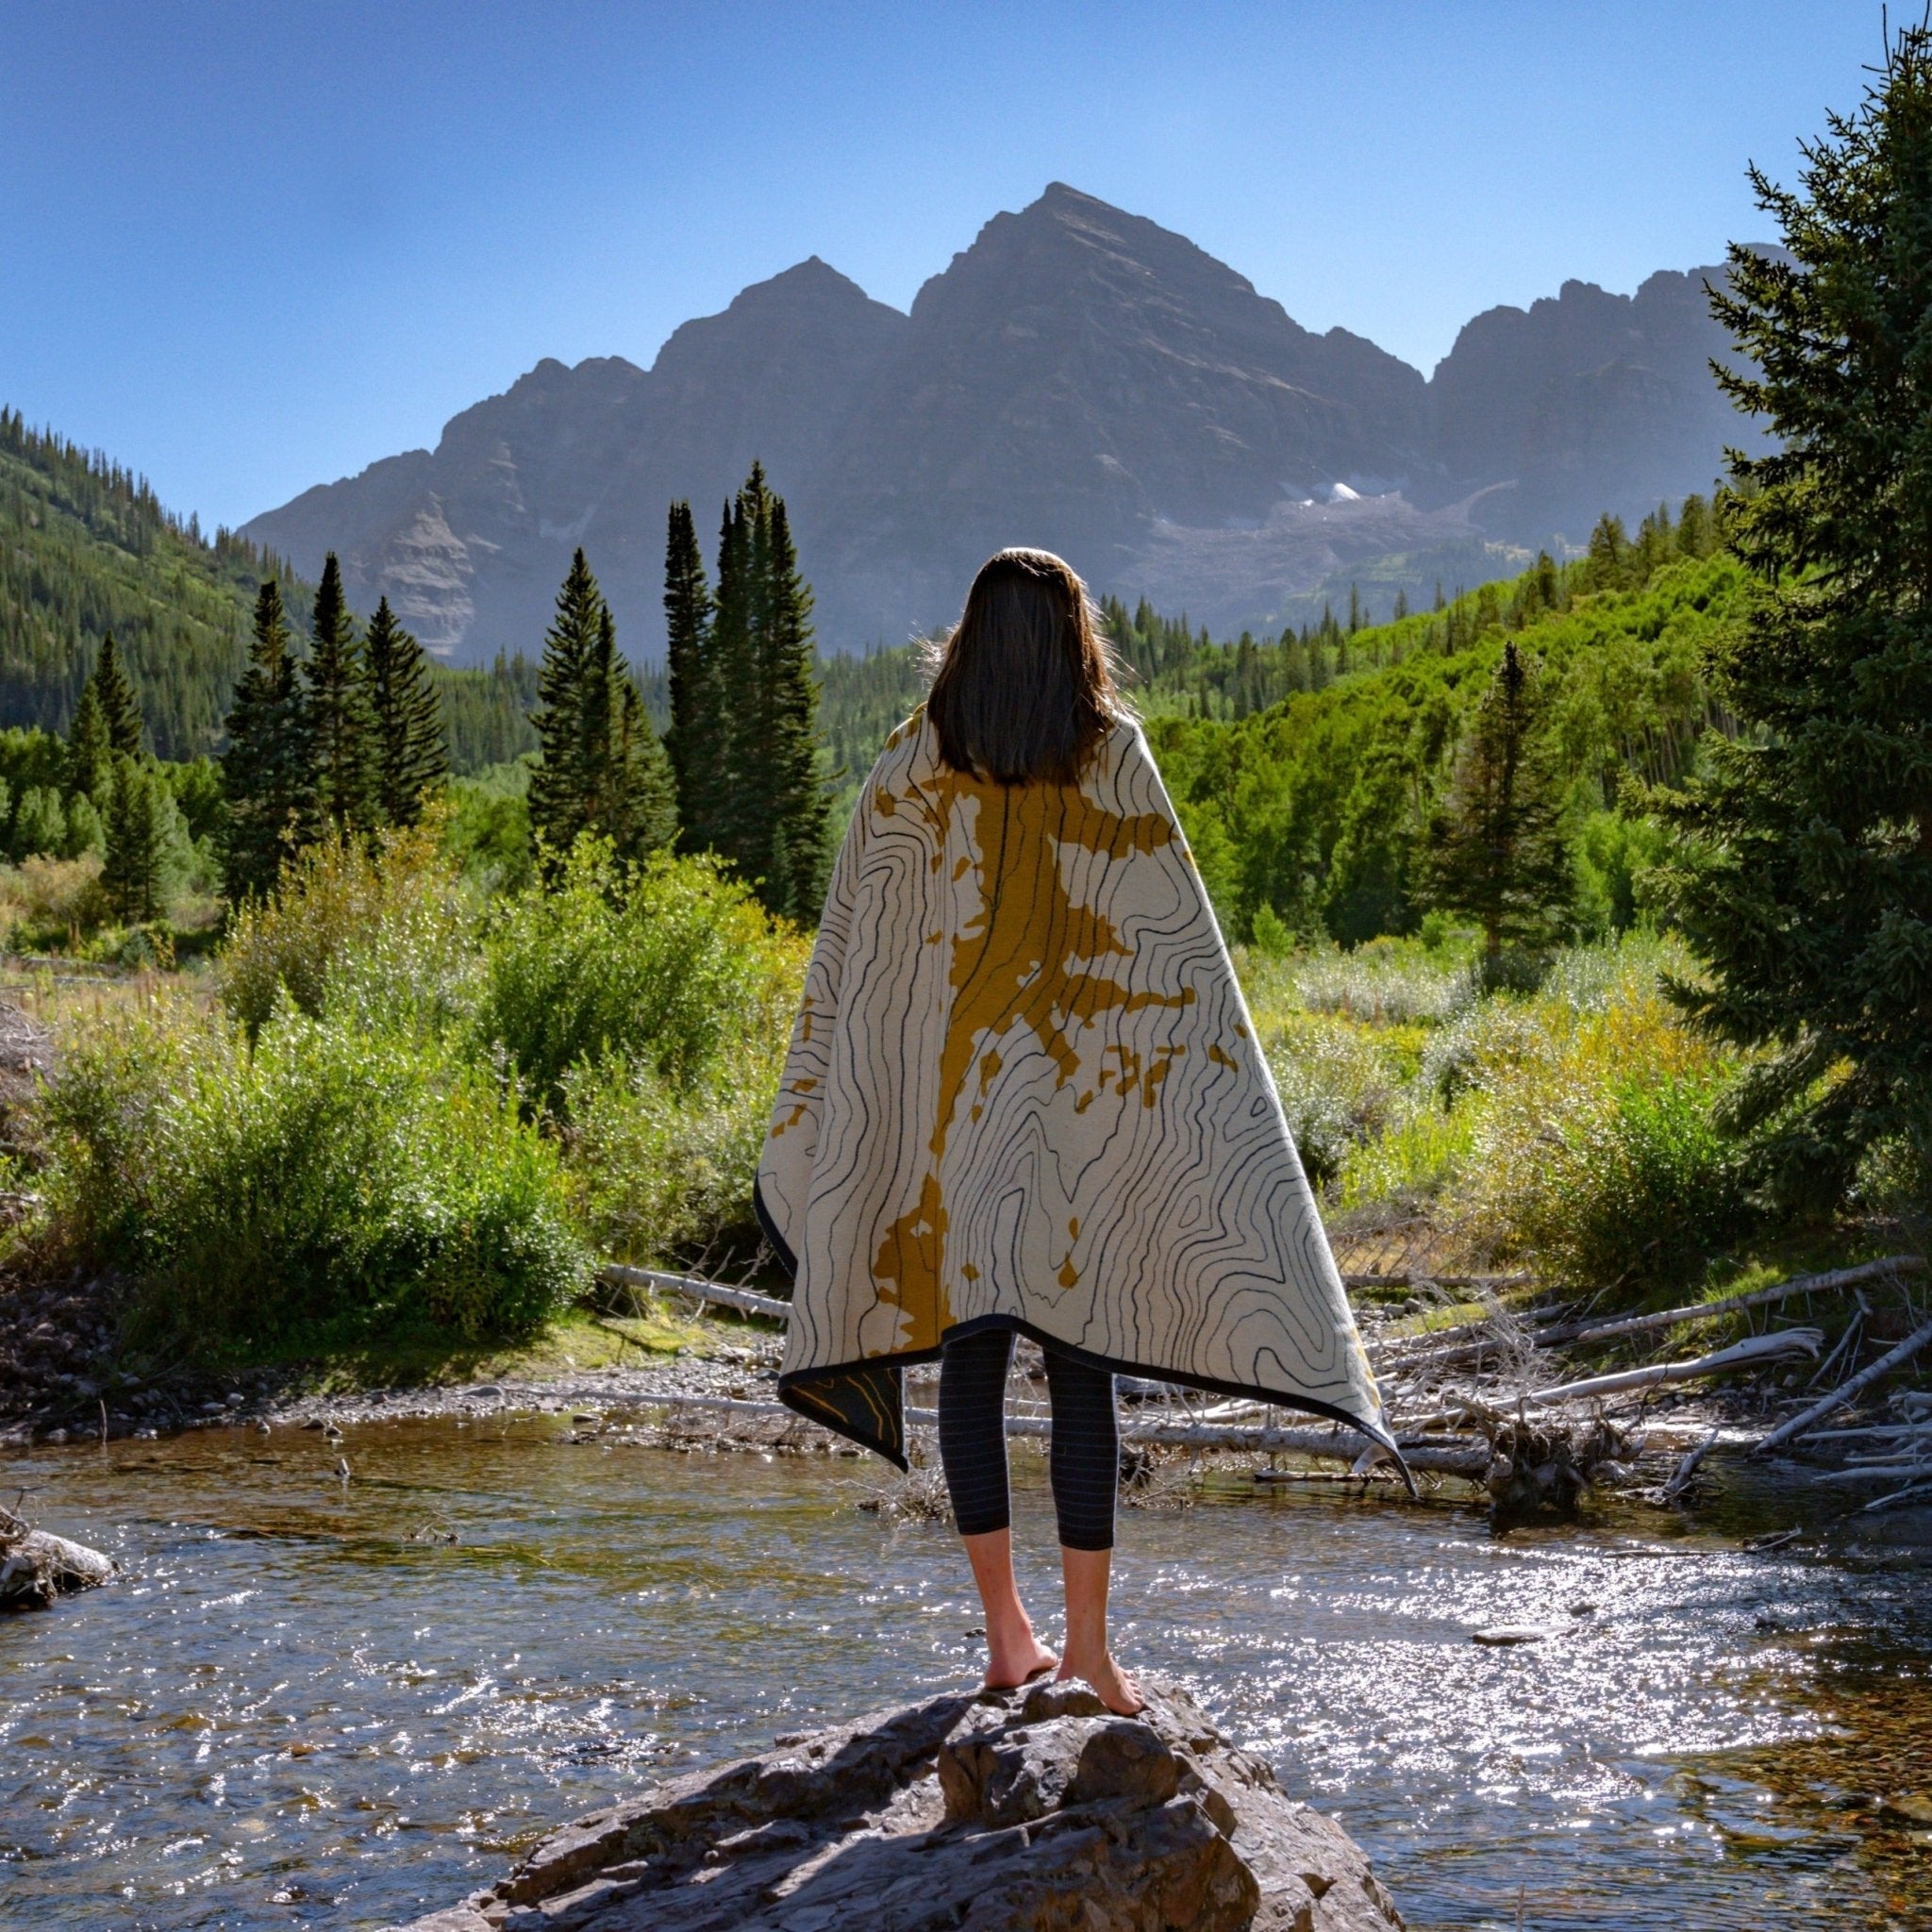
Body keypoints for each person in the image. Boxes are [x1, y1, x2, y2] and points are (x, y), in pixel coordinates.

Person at [757, 549, 1391, 1718]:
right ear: (1071, 635)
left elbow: (863, 966)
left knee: (971, 1366)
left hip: (948, 1135)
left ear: (966, 640)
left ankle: (1007, 1637)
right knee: (1083, 1365)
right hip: (1084, 1124)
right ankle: (1089, 1649)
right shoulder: (1110, 753)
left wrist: (871, 1116)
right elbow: (1174, 956)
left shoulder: (910, 762)